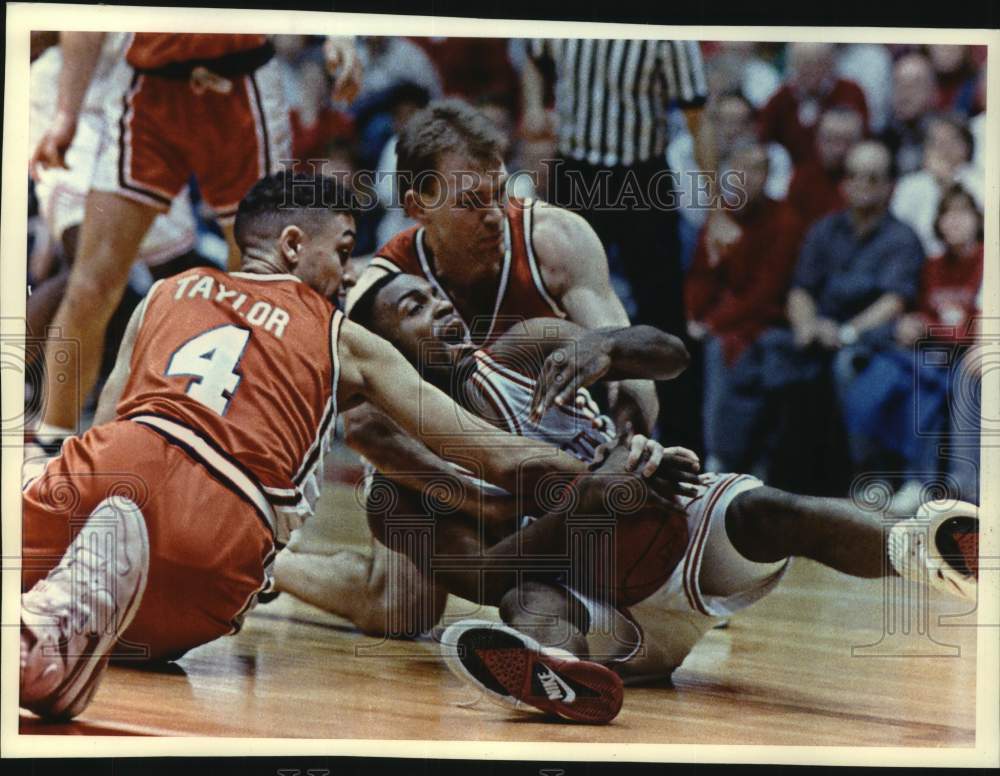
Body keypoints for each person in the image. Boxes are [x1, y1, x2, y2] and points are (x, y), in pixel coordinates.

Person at [19, 172, 591, 721]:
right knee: (142, 638)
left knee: (44, 477)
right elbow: (493, 453)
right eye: (342, 252)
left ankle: (59, 606)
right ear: (294, 245)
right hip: (214, 578)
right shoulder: (343, 335)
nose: (346, 275)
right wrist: (607, 478)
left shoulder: (165, 292)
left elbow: (110, 421)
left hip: (119, 478)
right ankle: (62, 630)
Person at [295, 271, 978, 724]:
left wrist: (607, 345)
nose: (439, 305)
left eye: (434, 293)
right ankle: (557, 673)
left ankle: (924, 546)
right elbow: (480, 576)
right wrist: (590, 500)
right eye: (412, 308)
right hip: (604, 614)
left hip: (677, 528)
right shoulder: (395, 498)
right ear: (381, 353)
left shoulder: (527, 348)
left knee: (770, 509)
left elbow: (672, 356)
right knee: (523, 604)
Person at [522, 38, 711, 451]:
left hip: (641, 175)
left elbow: (697, 115)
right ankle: (558, 429)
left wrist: (717, 208)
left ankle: (685, 446)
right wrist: (534, 106)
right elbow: (535, 56)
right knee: (554, 302)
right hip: (577, 170)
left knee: (664, 316)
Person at [772, 140, 925, 490]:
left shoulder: (901, 238)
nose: (861, 184)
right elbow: (800, 289)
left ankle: (867, 474)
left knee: (847, 366)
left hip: (873, 340)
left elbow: (894, 302)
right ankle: (774, 473)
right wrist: (808, 325)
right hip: (821, 331)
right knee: (772, 351)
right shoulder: (824, 230)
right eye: (853, 175)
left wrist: (845, 332)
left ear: (889, 185)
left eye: (873, 177)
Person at [844, 184, 984, 512]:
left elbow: (977, 328)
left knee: (927, 388)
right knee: (887, 378)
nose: (954, 222)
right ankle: (890, 477)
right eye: (947, 214)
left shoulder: (986, 262)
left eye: (962, 213)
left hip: (965, 357)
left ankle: (919, 482)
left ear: (978, 219)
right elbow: (922, 313)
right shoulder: (933, 265)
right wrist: (909, 324)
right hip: (929, 355)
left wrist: (930, 328)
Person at [684, 140, 805, 473]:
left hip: (763, 322)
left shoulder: (785, 221)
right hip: (715, 318)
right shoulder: (719, 217)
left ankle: (717, 458)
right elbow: (700, 276)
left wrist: (712, 324)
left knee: (719, 352)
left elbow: (767, 291)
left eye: (754, 170)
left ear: (767, 177)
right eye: (737, 169)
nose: (745, 178)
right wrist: (693, 316)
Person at [757, 43, 868, 166]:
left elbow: (865, 138)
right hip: (794, 173)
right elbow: (763, 138)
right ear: (792, 66)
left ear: (831, 63)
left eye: (818, 63)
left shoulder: (850, 91)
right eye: (804, 64)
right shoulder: (781, 98)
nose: (811, 70)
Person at [785, 106, 865, 229]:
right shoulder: (802, 179)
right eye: (830, 140)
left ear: (860, 142)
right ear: (817, 140)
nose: (839, 150)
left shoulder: (869, 181)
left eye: (847, 141)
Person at [879, 53, 938, 177]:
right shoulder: (880, 140)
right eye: (898, 83)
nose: (905, 92)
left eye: (915, 84)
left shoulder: (945, 139)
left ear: (933, 92)